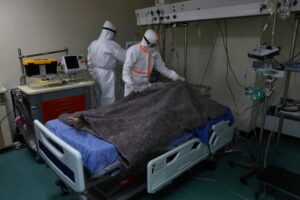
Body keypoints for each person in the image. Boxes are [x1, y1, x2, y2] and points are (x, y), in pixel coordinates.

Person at [122, 29, 185, 96]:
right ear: (146, 43)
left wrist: (176, 77)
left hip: (145, 88)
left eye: (155, 45)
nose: (154, 47)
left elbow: (163, 69)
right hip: (132, 88)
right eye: (152, 45)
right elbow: (126, 70)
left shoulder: (154, 53)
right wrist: (129, 83)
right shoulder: (133, 51)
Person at [87, 20, 126, 108]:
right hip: (107, 75)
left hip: (95, 72)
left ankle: (98, 116)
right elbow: (126, 58)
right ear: (110, 33)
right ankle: (107, 118)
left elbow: (89, 61)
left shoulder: (93, 43)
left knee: (98, 97)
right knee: (109, 99)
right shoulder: (111, 45)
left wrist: (92, 73)